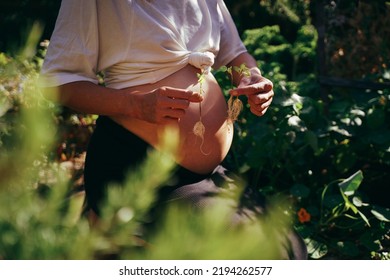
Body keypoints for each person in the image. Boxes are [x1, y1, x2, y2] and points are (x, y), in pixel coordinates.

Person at [40, 0, 307, 259]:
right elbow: (59, 82)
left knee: (288, 245)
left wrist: (250, 77)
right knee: (250, 250)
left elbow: (235, 54)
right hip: (138, 165)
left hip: (205, 176)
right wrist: (134, 105)